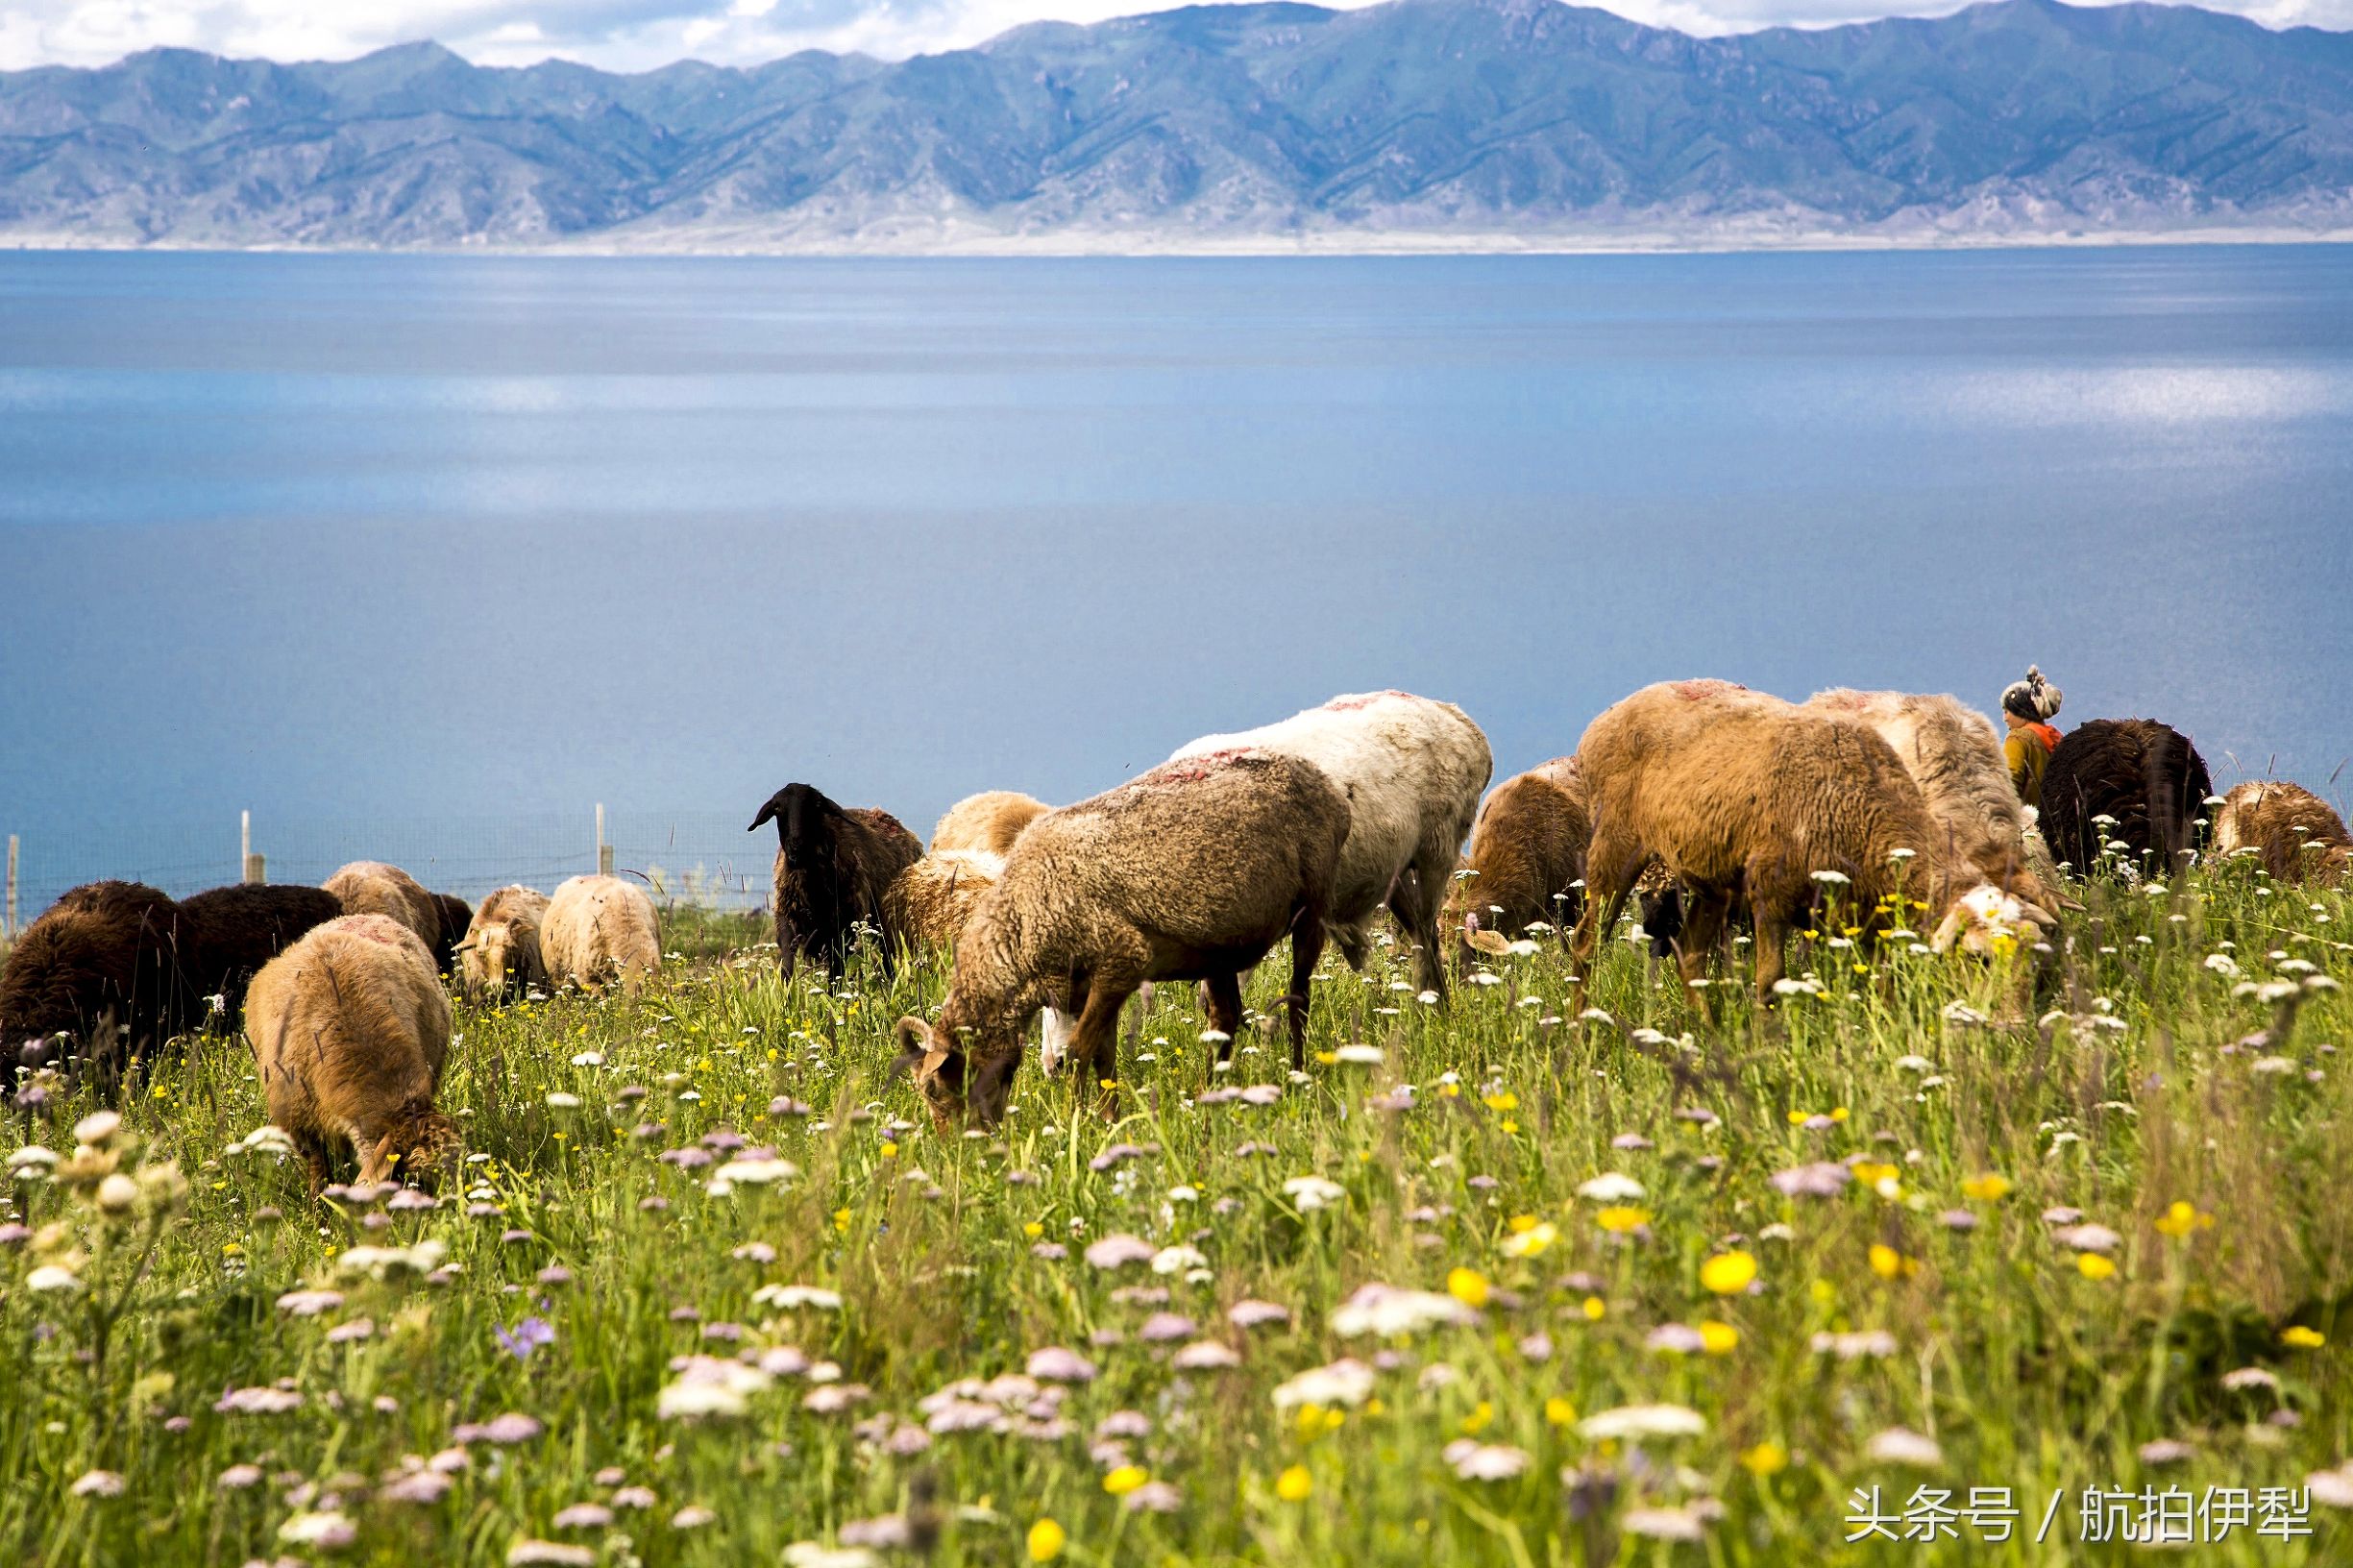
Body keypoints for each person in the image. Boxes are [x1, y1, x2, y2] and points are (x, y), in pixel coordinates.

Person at [2000, 666, 2064, 808]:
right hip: (2055, 820)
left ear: (2021, 710)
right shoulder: (2057, 739)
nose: (2005, 718)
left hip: (2027, 824)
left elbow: (2009, 783)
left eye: (2007, 711)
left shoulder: (2018, 737)